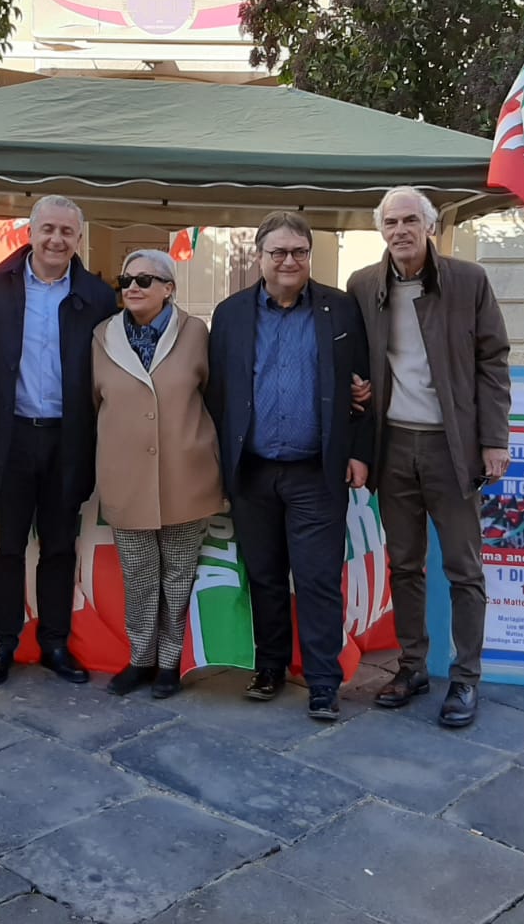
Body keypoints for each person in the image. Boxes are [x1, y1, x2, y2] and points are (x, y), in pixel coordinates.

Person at [347, 186, 511, 728]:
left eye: (410, 220)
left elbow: (493, 362)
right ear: (381, 230)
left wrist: (493, 440)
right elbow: (357, 358)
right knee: (404, 563)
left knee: (465, 569)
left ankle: (465, 678)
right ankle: (412, 666)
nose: (400, 231)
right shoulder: (364, 284)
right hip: (392, 444)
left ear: (430, 226)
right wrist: (359, 390)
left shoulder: (469, 281)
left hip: (452, 446)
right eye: (391, 222)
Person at [206, 211, 373, 722]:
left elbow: (364, 386)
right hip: (253, 471)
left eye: (298, 252)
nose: (288, 261)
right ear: (259, 257)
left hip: (315, 471)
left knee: (319, 578)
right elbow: (218, 394)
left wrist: (359, 450)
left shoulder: (340, 309)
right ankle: (271, 667)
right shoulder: (231, 313)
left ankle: (323, 682)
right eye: (277, 252)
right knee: (265, 575)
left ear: (309, 256)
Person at [0, 195, 118, 685]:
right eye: (48, 229)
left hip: (68, 439)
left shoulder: (97, 295)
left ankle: (55, 642)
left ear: (80, 238)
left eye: (67, 232)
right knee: (6, 548)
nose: (57, 239)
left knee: (59, 547)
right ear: (30, 232)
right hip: (10, 436)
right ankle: (4, 643)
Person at [91, 249, 222, 699]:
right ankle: (140, 659)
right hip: (126, 479)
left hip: (188, 476)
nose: (133, 287)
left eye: (146, 280)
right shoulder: (101, 336)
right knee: (139, 576)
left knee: (179, 576)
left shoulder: (196, 333)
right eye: (126, 279)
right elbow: (94, 403)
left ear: (169, 288)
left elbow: (215, 397)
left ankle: (170, 663)